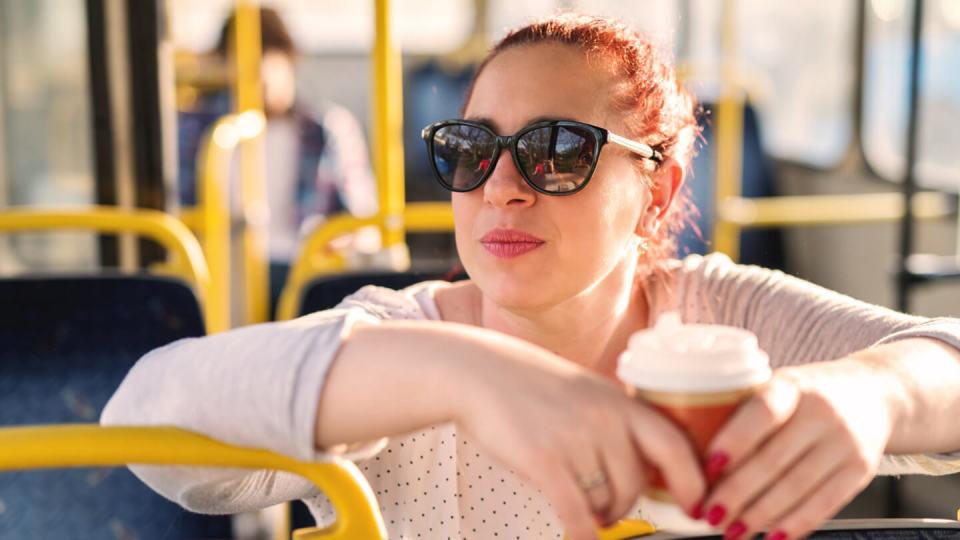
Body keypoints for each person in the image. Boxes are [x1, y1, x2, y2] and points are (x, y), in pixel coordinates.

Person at [104, 13, 960, 540]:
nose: (503, 187)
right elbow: (144, 418)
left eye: (558, 152)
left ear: (657, 192)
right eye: (472, 151)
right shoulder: (397, 343)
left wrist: (874, 393)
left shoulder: (722, 321)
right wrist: (465, 376)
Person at [177, 7, 378, 310]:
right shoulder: (203, 132)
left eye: (267, 62)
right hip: (224, 270)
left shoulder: (327, 128)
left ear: (289, 62)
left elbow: (363, 222)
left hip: (304, 267)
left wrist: (345, 242)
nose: (257, 80)